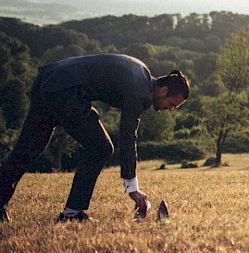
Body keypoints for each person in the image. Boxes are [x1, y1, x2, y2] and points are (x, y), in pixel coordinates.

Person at [0, 54, 189, 223]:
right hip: (65, 90)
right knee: (101, 147)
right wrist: (132, 187)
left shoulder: (142, 73)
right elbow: (128, 137)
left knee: (28, 148)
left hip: (48, 79)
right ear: (163, 90)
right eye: (172, 104)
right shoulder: (141, 94)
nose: (169, 109)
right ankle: (72, 213)